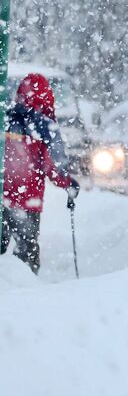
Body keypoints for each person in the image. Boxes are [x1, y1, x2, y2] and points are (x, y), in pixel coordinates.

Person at [0, 73, 80, 274]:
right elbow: (54, 167)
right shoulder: (46, 126)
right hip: (28, 203)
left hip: (3, 198)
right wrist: (69, 184)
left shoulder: (6, 118)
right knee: (26, 257)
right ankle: (28, 296)